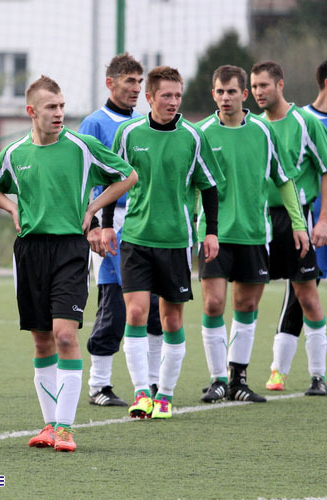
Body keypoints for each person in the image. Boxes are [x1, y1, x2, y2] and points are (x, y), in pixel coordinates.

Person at [0, 76, 137, 452]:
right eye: (51, 107)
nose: (59, 113)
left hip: (69, 248)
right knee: (41, 337)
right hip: (30, 250)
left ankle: (65, 427)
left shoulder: (82, 146)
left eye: (62, 106)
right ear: (31, 111)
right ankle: (49, 425)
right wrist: (12, 205)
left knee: (66, 334)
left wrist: (94, 208)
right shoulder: (16, 153)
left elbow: (127, 176)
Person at [103, 65, 223, 419]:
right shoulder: (128, 134)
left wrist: (210, 231)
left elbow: (210, 186)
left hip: (176, 241)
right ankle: (142, 392)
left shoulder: (193, 136)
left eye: (178, 95)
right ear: (150, 97)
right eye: (166, 95)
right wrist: (107, 225)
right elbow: (114, 180)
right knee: (136, 312)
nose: (173, 102)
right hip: (136, 238)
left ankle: (165, 394)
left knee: (171, 321)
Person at [197, 65, 308, 403]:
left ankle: (237, 379)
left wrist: (300, 224)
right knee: (214, 303)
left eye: (232, 91)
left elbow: (285, 180)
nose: (225, 98)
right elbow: (189, 185)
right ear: (213, 94)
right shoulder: (200, 133)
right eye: (219, 91)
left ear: (244, 94)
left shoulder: (263, 131)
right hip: (214, 234)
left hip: (255, 234)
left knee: (246, 305)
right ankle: (217, 379)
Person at [78, 53, 162, 407]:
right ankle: (100, 383)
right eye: (130, 81)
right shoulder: (94, 124)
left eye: (140, 82)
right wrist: (94, 225)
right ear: (110, 83)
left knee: (155, 304)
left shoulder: (145, 124)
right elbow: (82, 180)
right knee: (114, 301)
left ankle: (154, 384)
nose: (136, 88)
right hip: (112, 225)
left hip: (148, 225)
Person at [250, 61, 327, 395]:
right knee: (248, 296)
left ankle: (317, 376)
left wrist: (323, 220)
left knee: (306, 296)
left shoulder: (305, 121)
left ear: (280, 85)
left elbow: (325, 170)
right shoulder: (253, 126)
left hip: (298, 219)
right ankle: (256, 373)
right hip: (261, 221)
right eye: (253, 87)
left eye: (263, 85)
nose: (257, 92)